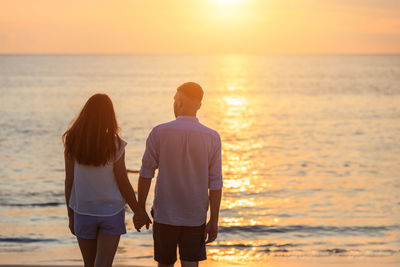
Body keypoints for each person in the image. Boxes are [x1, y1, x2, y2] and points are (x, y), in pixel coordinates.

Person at [134, 82, 223, 267]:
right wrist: (214, 220)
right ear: (199, 105)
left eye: (175, 99)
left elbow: (146, 173)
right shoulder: (212, 137)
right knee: (190, 264)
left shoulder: (159, 132)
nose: (174, 104)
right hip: (195, 215)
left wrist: (140, 208)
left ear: (179, 103)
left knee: (164, 264)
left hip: (165, 214)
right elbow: (215, 183)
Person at [63, 94, 151, 267]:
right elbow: (123, 181)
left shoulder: (72, 141)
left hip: (83, 211)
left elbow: (69, 181)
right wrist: (138, 211)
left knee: (90, 264)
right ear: (110, 116)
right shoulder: (116, 144)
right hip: (111, 212)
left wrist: (71, 215)